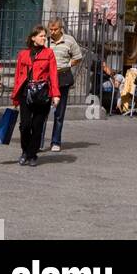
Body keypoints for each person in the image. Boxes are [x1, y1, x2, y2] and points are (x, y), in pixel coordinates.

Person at [12, 25, 60, 167]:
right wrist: (15, 96)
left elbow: (53, 74)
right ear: (33, 38)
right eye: (41, 36)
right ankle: (25, 151)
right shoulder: (23, 54)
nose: (44, 38)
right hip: (25, 93)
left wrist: (56, 94)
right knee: (25, 125)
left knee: (37, 125)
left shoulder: (49, 53)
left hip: (42, 94)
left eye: (45, 36)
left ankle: (32, 154)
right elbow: (18, 76)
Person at [43, 18, 83, 152]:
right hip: (47, 78)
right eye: (51, 29)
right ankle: (39, 141)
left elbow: (78, 57)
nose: (52, 32)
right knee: (42, 112)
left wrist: (68, 65)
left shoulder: (69, 40)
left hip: (62, 77)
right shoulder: (46, 40)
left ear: (61, 29)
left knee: (59, 113)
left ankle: (55, 141)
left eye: (55, 29)